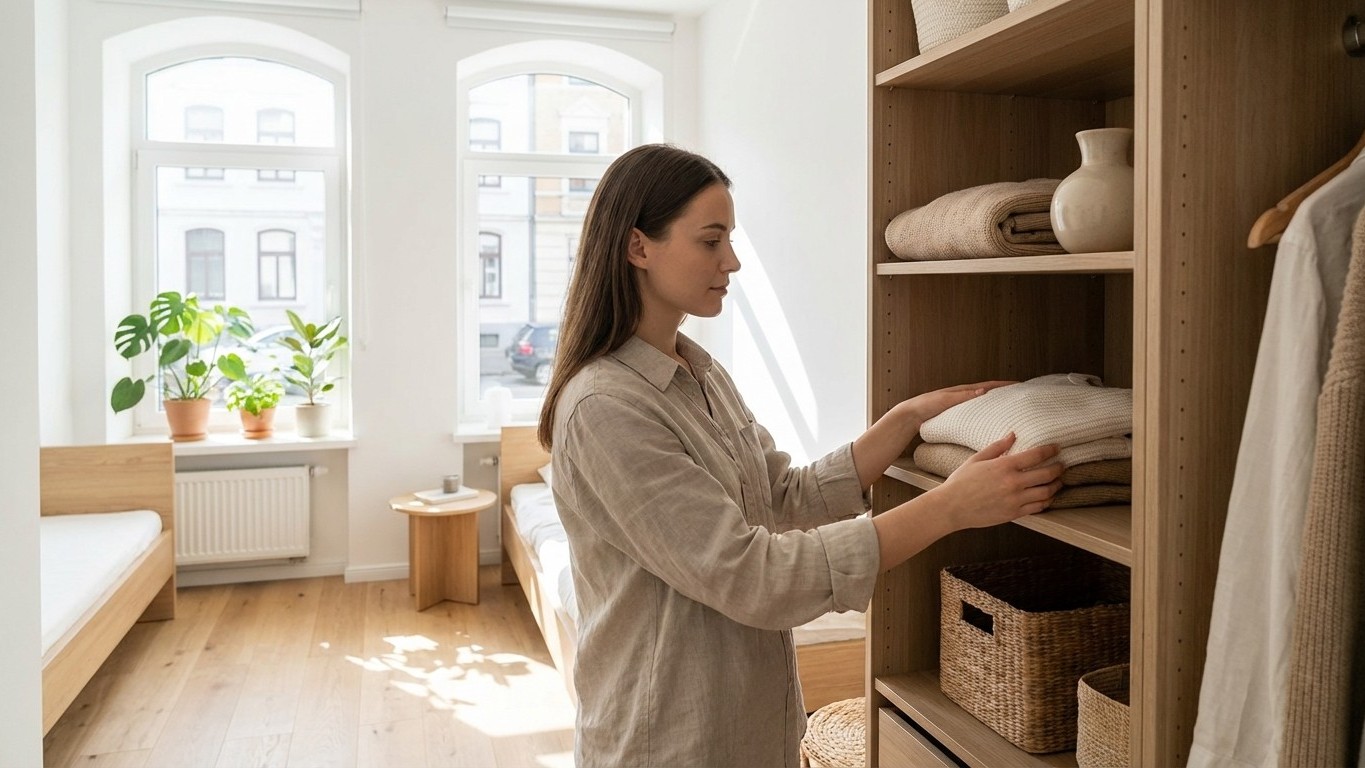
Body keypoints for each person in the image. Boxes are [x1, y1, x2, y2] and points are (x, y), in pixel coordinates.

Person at [537, 143, 1064, 767]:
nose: (731, 261)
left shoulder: (701, 373)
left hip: (754, 727)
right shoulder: (605, 407)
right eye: (711, 240)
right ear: (637, 247)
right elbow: (754, 577)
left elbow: (779, 497)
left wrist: (902, 422)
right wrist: (948, 508)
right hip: (671, 743)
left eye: (730, 239)